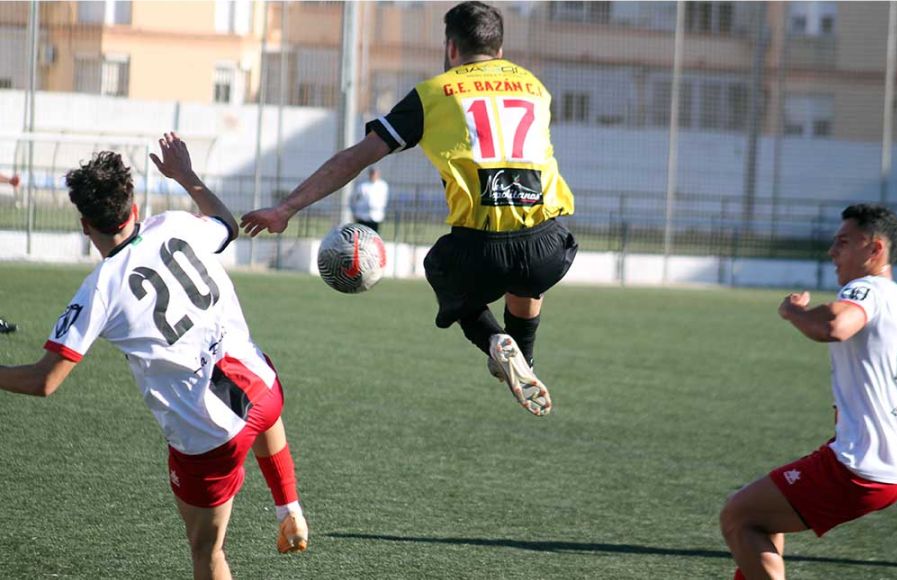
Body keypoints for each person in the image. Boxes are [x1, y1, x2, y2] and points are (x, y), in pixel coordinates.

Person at [241, 1, 578, 417]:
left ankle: (493, 341)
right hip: (549, 243)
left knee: (441, 266)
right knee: (527, 273)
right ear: (501, 51)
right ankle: (523, 356)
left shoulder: (434, 94)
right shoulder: (535, 88)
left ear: (451, 49)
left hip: (480, 249)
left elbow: (357, 157)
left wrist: (286, 208)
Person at [0, 133, 308, 580]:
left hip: (209, 436)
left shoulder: (100, 288)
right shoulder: (175, 225)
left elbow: (44, 381)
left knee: (208, 552)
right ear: (135, 209)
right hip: (262, 388)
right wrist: (185, 175)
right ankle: (289, 507)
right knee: (258, 404)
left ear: (85, 225)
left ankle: (283, 511)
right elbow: (226, 222)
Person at [719, 203, 897, 580]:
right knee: (765, 517)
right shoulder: (896, 298)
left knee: (739, 516)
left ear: (874, 249)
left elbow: (835, 326)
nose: (832, 252)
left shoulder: (866, 289)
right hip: (880, 462)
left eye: (843, 242)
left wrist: (793, 313)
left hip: (860, 464)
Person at [351, 167, 389, 233]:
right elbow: (355, 199)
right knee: (362, 234)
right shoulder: (362, 186)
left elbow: (383, 199)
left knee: (374, 234)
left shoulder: (383, 185)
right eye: (372, 174)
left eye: (375, 174)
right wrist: (355, 211)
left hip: (376, 215)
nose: (373, 176)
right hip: (362, 216)